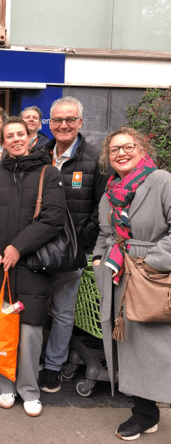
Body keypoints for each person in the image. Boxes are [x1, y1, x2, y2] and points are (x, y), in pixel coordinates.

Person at [0, 117, 65, 417]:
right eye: (9, 135)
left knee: (29, 332)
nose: (15, 139)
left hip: (31, 266)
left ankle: (29, 390)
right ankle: (5, 386)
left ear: (30, 137)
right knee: (1, 325)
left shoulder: (48, 174)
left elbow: (53, 218)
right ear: (3, 142)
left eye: (20, 134)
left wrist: (18, 247)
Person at [92, 127, 171, 441]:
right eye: (114, 150)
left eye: (128, 147)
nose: (121, 153)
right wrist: (99, 260)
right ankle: (145, 412)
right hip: (117, 274)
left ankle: (149, 409)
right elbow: (104, 232)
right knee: (129, 346)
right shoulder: (110, 190)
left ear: (142, 149)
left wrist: (150, 262)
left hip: (151, 276)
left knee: (155, 346)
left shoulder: (162, 181)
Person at [35, 97, 107, 394]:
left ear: (80, 122)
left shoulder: (95, 159)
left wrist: (84, 241)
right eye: (57, 120)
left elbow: (101, 208)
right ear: (49, 123)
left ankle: (53, 367)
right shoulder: (39, 154)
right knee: (36, 310)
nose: (63, 125)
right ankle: (35, 359)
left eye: (70, 119)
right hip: (37, 248)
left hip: (72, 252)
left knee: (64, 312)